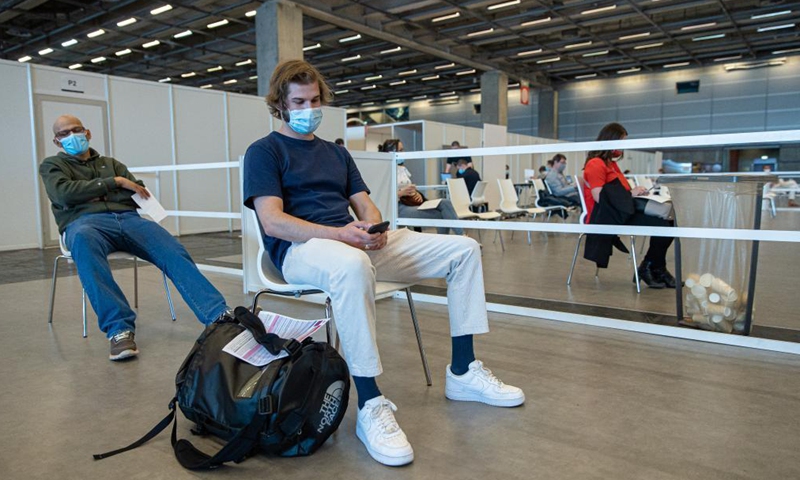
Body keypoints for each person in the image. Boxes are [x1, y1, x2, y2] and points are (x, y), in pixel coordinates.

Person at [243, 60, 524, 467]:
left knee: (463, 249)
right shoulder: (264, 151)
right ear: (280, 105)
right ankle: (371, 403)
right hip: (302, 250)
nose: (309, 108)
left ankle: (463, 371)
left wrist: (373, 229)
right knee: (352, 266)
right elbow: (272, 221)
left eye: (315, 99)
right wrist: (344, 236)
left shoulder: (336, 153)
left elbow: (364, 203)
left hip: (353, 241)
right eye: (299, 101)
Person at [39, 115, 233, 361]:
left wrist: (92, 192)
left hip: (129, 219)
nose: (72, 136)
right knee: (86, 249)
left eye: (76, 130)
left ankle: (217, 315)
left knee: (173, 250)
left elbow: (137, 191)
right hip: (86, 224)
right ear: (57, 141)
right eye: (64, 133)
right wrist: (115, 183)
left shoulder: (111, 163)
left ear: (87, 133)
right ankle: (119, 329)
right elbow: (63, 194)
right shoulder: (52, 166)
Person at [582, 122, 676, 289]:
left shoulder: (611, 164)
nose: (623, 146)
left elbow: (619, 192)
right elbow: (599, 197)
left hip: (621, 210)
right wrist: (630, 194)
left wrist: (633, 191)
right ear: (610, 140)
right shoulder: (595, 164)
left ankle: (654, 267)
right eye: (621, 141)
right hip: (608, 215)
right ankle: (650, 268)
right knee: (664, 226)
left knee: (669, 222)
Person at [379, 139, 465, 236]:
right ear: (390, 152)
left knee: (445, 202)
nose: (403, 153)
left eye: (402, 150)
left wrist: (416, 193)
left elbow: (407, 188)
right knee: (442, 215)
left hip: (410, 203)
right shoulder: (385, 171)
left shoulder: (401, 169)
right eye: (400, 150)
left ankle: (461, 236)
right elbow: (382, 196)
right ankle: (457, 238)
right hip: (398, 208)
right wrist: (401, 193)